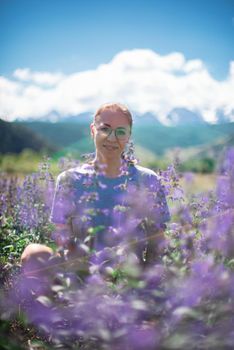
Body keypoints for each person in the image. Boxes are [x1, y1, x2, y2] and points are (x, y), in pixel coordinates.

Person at [21, 103, 170, 273]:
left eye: (121, 132)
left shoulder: (147, 179)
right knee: (33, 253)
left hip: (128, 274)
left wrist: (150, 282)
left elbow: (157, 239)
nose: (112, 138)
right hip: (82, 270)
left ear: (129, 136)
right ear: (93, 130)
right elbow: (61, 233)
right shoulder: (69, 180)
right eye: (105, 129)